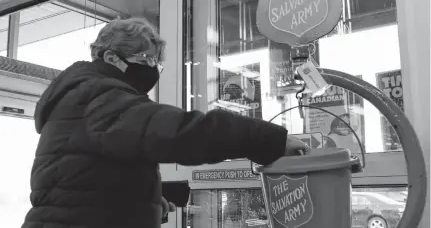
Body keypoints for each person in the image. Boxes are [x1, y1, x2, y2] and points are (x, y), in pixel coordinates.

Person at [21, 17, 307, 228]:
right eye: (146, 59)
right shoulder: (99, 95)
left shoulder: (86, 97)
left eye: (157, 63)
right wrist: (268, 140)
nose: (153, 70)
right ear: (111, 57)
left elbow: (85, 181)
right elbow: (180, 133)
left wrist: (142, 201)